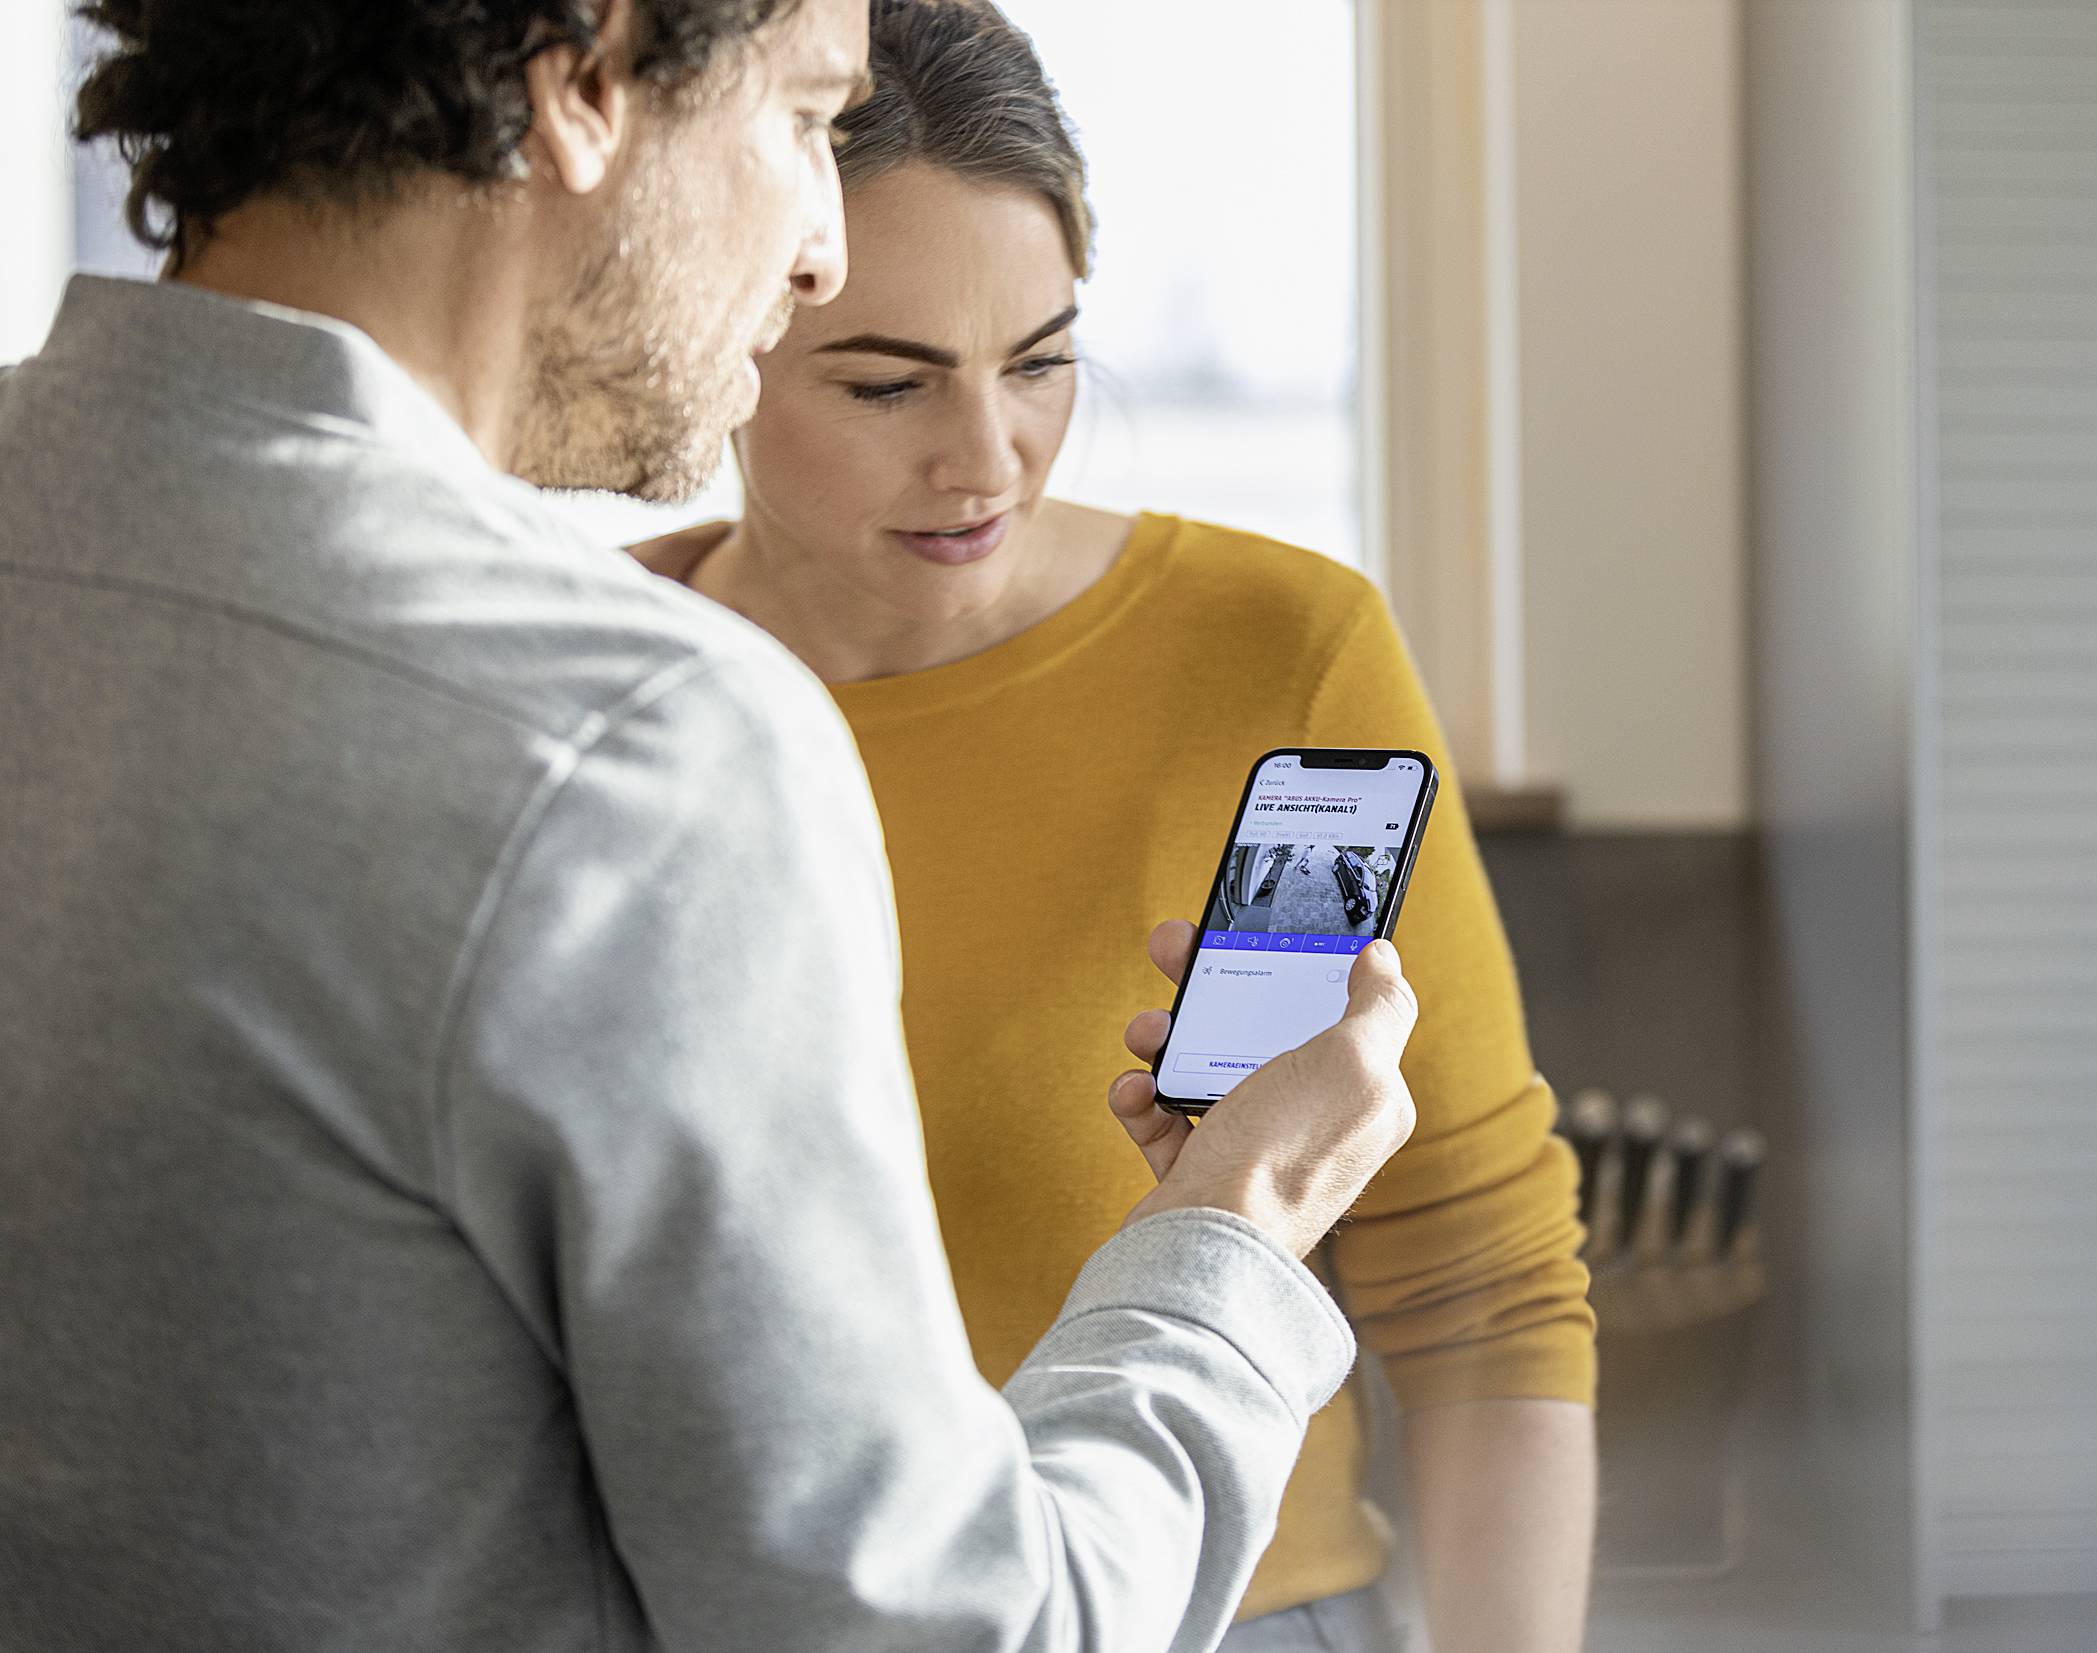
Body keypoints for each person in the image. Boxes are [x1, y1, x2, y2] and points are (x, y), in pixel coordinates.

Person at [0, 1, 1427, 1648]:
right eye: (812, 118)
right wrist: (1237, 1223)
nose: (823, 248)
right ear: (589, 76)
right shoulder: (623, 749)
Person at [632, 4, 1598, 1648]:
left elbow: (1480, 1282)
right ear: (722, 333)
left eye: (1042, 359)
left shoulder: (1271, 653)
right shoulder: (590, 696)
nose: (987, 458)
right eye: (888, 384)